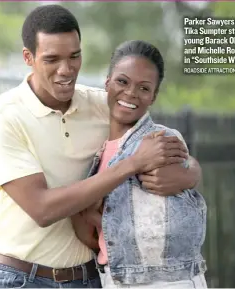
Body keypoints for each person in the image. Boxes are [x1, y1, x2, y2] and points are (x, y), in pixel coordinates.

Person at [0, 4, 202, 289]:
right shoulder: (1, 117)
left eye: (74, 56)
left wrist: (190, 172)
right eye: (51, 59)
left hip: (91, 277)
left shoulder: (102, 104)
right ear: (28, 57)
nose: (66, 70)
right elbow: (42, 209)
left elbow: (158, 146)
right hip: (22, 278)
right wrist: (130, 165)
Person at [78, 40, 208, 288]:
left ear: (153, 97)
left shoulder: (159, 140)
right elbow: (108, 225)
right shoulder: (98, 150)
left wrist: (191, 170)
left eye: (144, 88)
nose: (130, 93)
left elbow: (158, 222)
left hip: (164, 280)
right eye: (122, 81)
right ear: (107, 82)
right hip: (113, 278)